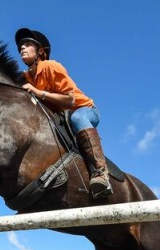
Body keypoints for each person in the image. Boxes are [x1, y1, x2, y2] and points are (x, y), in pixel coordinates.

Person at [15, 27, 112, 198]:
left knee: (77, 117)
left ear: (41, 52)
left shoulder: (51, 66)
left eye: (28, 44)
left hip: (85, 111)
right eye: (20, 46)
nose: (22, 47)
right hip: (61, 118)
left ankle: (101, 172)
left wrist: (38, 93)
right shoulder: (26, 77)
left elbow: (70, 100)